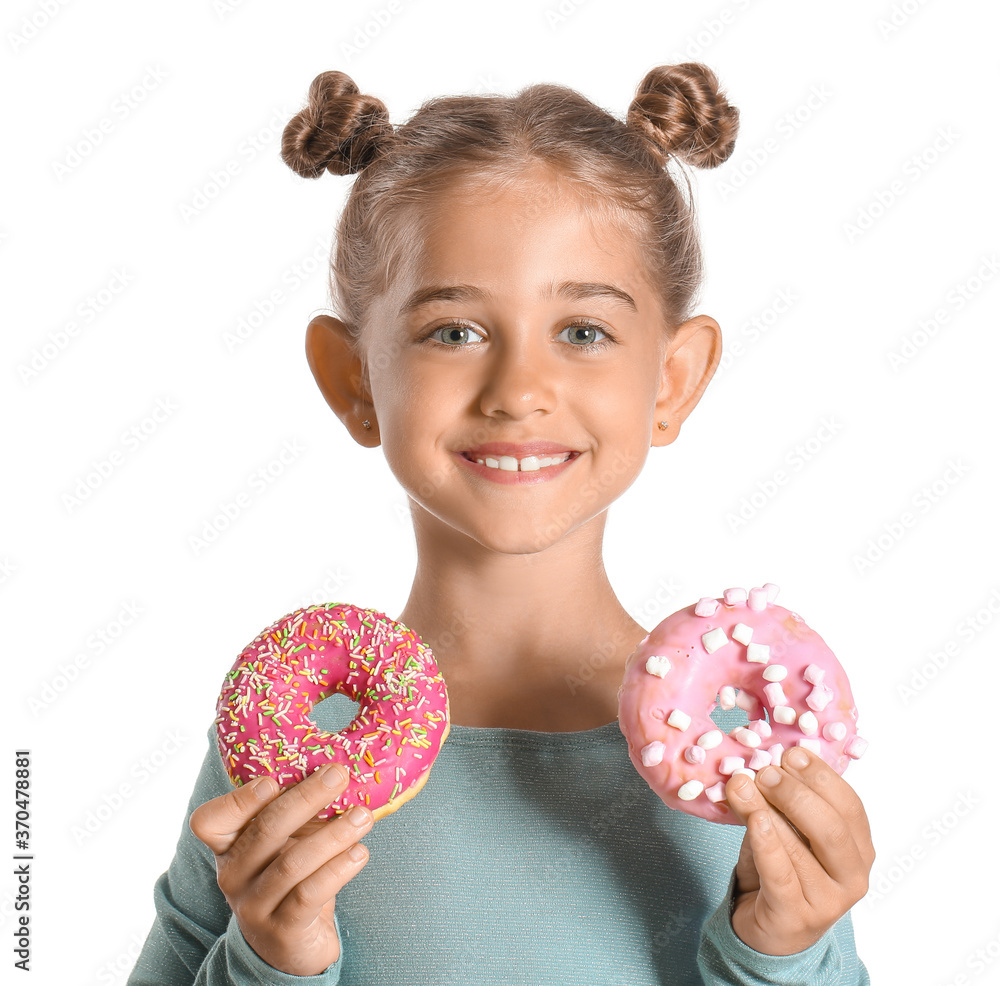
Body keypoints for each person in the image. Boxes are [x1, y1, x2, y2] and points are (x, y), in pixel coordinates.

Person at [129, 62, 874, 984]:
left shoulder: (747, 765)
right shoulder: (293, 749)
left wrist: (782, 955)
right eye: (455, 332)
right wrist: (271, 960)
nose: (520, 391)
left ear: (673, 380)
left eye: (584, 332)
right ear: (354, 379)